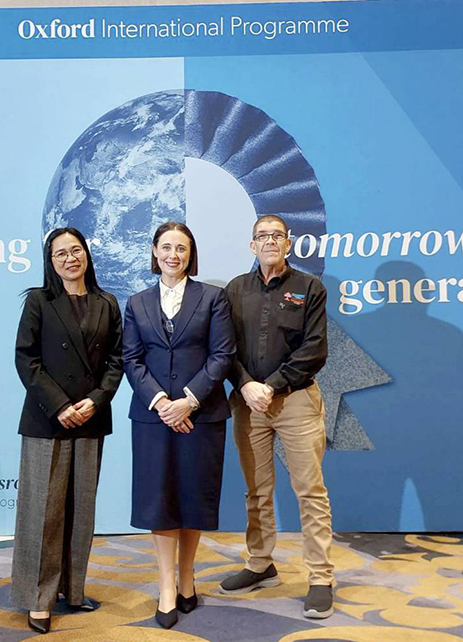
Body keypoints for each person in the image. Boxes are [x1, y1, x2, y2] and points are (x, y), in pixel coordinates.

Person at [221, 214, 335, 619]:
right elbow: (225, 348)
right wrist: (246, 385)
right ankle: (260, 564)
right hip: (248, 403)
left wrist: (271, 385)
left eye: (277, 235)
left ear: (288, 243)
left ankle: (320, 577)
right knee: (256, 490)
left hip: (296, 400)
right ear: (252, 245)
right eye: (262, 236)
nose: (270, 241)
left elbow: (314, 349)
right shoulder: (235, 290)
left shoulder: (310, 288)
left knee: (310, 491)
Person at [123, 221, 236, 629]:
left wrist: (188, 401)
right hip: (153, 418)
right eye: (166, 247)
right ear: (155, 251)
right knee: (160, 501)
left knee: (192, 499)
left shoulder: (213, 298)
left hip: (200, 415)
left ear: (191, 254)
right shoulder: (136, 303)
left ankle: (187, 577)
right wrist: (161, 403)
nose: (174, 255)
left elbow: (223, 355)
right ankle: (167, 587)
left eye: (182, 248)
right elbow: (131, 359)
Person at [11, 227, 123, 635]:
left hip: (90, 417)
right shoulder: (38, 301)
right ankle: (38, 599)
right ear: (51, 261)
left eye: (76, 250)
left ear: (86, 255)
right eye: (61, 254)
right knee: (43, 511)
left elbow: (117, 360)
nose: (70, 258)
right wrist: (59, 405)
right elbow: (26, 360)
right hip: (48, 419)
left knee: (80, 510)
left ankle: (73, 591)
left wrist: (96, 399)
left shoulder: (107, 302)